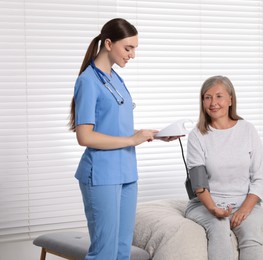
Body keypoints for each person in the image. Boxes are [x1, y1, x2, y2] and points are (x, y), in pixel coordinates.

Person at [68, 18, 174, 260]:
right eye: (128, 48)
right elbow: (84, 136)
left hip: (127, 172)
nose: (133, 55)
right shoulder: (88, 81)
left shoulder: (116, 78)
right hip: (102, 175)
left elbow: (116, 127)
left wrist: (155, 136)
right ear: (108, 43)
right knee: (104, 252)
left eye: (135, 48)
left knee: (122, 250)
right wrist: (131, 140)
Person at [185, 75, 263, 260]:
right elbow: (199, 183)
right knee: (219, 226)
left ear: (230, 99)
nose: (213, 103)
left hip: (245, 202)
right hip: (206, 204)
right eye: (207, 97)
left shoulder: (247, 130)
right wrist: (213, 209)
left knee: (252, 234)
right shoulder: (197, 135)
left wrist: (245, 209)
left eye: (219, 96)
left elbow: (261, 176)